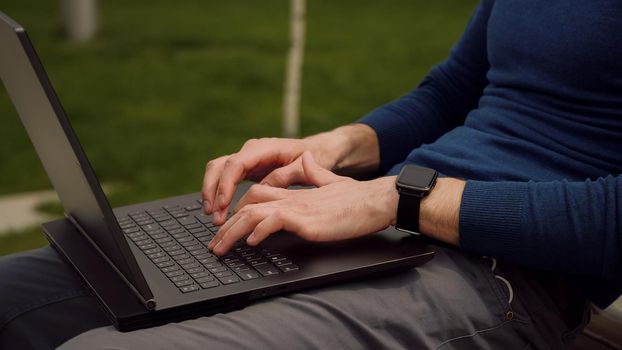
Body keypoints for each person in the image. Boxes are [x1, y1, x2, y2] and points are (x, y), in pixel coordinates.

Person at [1, 0, 621, 348]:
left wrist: (403, 198)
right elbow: (455, 89)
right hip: (385, 228)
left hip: (504, 277)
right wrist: (331, 147)